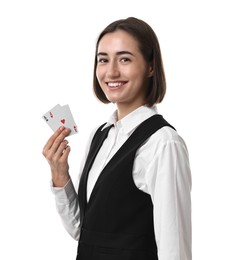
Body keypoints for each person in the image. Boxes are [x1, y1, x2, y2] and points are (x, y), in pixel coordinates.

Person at [42, 17, 192, 260]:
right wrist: (60, 175)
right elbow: (83, 232)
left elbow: (174, 247)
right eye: (103, 60)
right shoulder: (99, 135)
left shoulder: (163, 143)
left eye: (124, 59)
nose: (111, 71)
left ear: (151, 66)